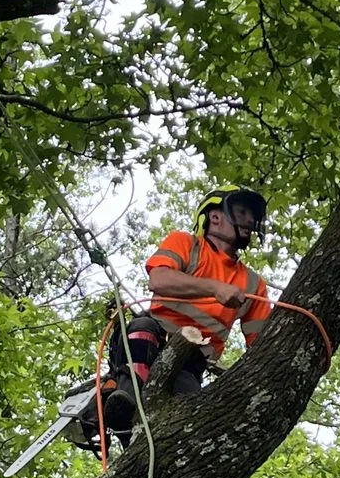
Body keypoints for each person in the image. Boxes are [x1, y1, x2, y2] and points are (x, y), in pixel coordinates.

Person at [102, 185, 272, 436]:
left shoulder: (252, 284)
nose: (250, 220)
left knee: (184, 418)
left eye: (252, 215)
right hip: (153, 340)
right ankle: (124, 403)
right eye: (242, 211)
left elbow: (262, 344)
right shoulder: (186, 244)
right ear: (215, 217)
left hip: (193, 359)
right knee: (141, 327)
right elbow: (159, 279)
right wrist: (214, 288)